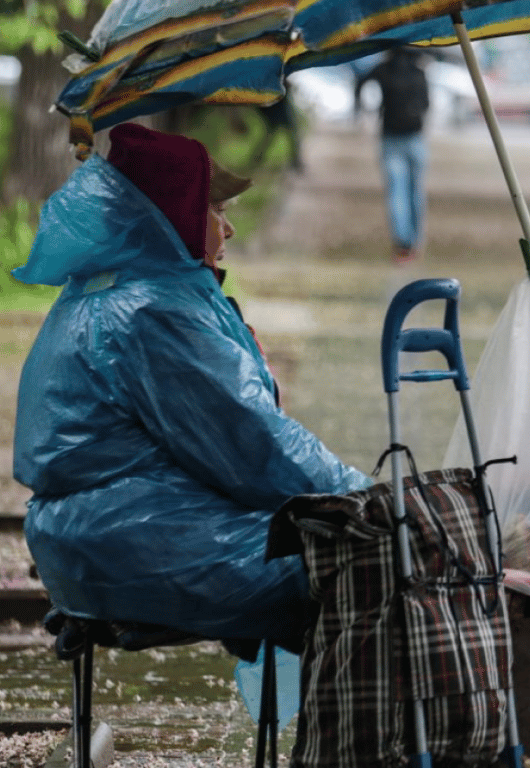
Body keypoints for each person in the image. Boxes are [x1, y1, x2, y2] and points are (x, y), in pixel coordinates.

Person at [11, 123, 372, 657]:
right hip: (139, 544)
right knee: (373, 563)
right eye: (215, 211)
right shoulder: (154, 312)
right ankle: (368, 738)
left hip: (95, 540)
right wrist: (371, 501)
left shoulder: (104, 288)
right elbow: (254, 447)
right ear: (173, 216)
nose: (227, 231)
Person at [355, 46, 430, 264]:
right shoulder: (419, 72)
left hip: (390, 137)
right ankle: (416, 241)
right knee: (416, 191)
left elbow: (361, 82)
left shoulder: (382, 69)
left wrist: (362, 110)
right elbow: (426, 104)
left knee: (396, 192)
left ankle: (402, 245)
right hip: (415, 137)